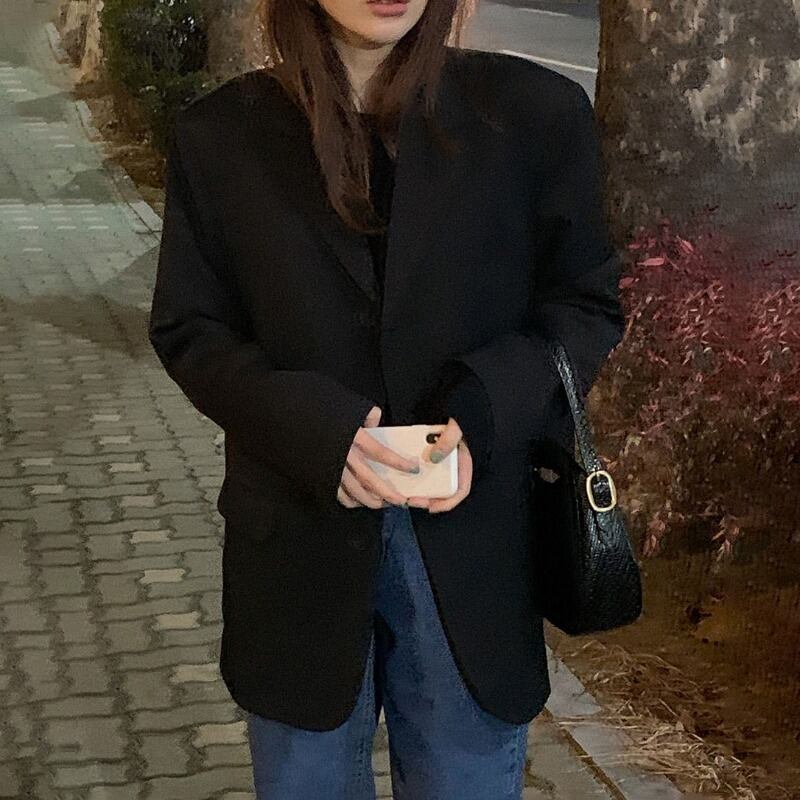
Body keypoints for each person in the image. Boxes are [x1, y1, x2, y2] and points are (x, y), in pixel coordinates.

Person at [148, 0, 626, 796]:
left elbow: (585, 304)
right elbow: (191, 328)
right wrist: (313, 429)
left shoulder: (533, 116)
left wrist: (484, 410)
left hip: (474, 545)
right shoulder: (221, 135)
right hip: (299, 536)